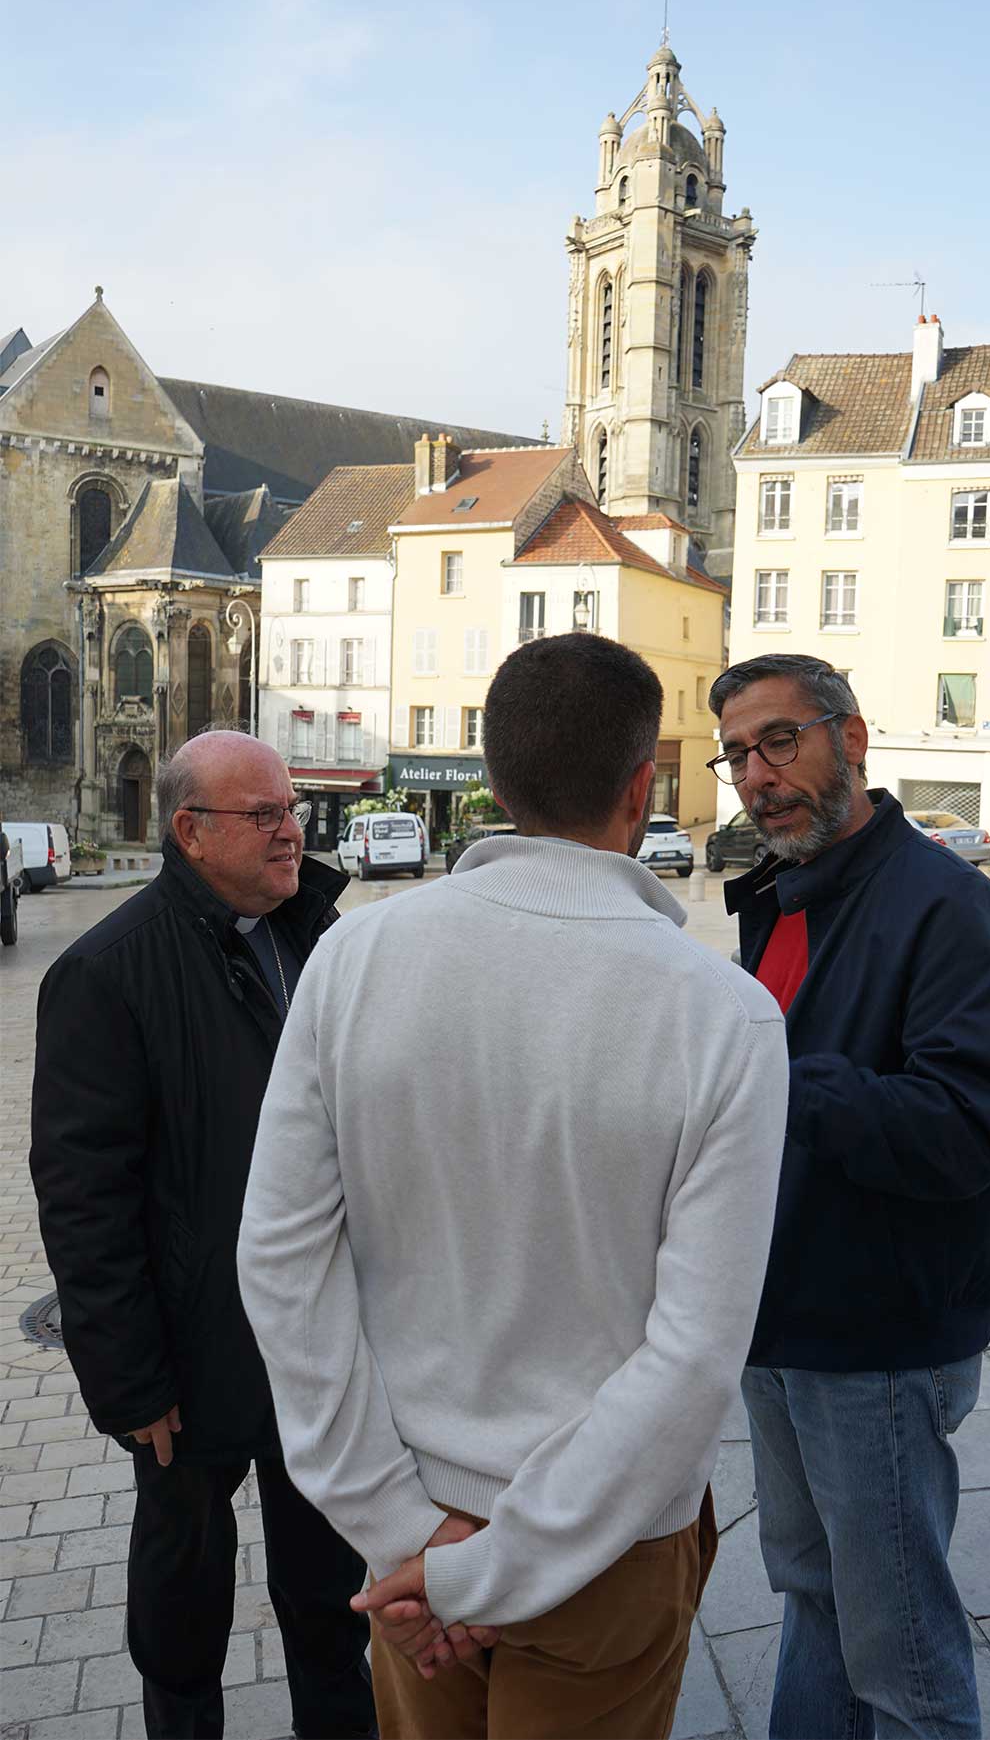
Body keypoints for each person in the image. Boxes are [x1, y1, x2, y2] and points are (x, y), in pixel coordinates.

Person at [238, 633, 790, 1740]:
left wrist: (404, 1536)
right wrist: (495, 1567)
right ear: (642, 790)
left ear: (490, 781)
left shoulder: (353, 960)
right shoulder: (719, 1013)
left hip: (418, 1522)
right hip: (604, 1545)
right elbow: (694, 1352)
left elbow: (280, 1261)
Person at [30, 731, 375, 1740]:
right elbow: (84, 1196)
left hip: (320, 1347)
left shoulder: (318, 937)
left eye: (291, 809)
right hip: (190, 1361)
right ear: (190, 832)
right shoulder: (107, 970)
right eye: (264, 814)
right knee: (182, 1622)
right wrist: (129, 1381)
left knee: (331, 1607)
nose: (291, 830)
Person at [707, 654, 990, 1740]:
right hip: (780, 1315)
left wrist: (768, 1068)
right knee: (813, 1599)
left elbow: (965, 1131)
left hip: (875, 1334)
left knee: (903, 1647)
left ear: (853, 737)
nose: (756, 773)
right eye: (739, 751)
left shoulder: (947, 908)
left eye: (780, 739)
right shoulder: (786, 894)